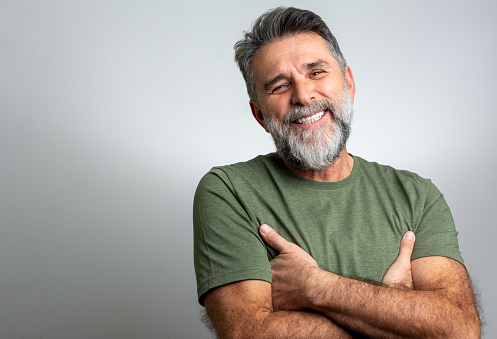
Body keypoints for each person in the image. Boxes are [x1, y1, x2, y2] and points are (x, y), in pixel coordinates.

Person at [193, 6, 480, 338]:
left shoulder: (416, 196)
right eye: (280, 86)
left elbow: (459, 330)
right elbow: (249, 333)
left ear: (348, 82)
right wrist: (398, 315)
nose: (303, 96)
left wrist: (315, 286)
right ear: (259, 115)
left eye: (316, 73)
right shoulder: (229, 191)